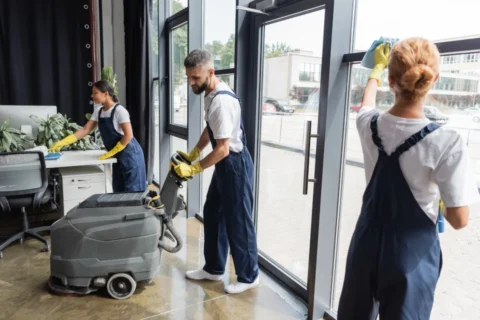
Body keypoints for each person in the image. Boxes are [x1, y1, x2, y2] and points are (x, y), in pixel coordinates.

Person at [337, 37, 479, 319]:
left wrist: (374, 72)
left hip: (365, 244)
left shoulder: (369, 125)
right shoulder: (446, 141)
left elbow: (366, 104)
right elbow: (459, 220)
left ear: (392, 80)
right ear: (434, 78)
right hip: (410, 256)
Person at [172, 49, 259, 294]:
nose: (191, 83)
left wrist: (193, 168)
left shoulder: (221, 101)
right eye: (189, 77)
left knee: (238, 221)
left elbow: (222, 149)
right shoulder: (209, 93)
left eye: (195, 78)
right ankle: (214, 268)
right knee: (213, 212)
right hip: (225, 164)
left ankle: (250, 275)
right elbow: (210, 128)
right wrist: (195, 151)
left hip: (235, 164)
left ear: (211, 72)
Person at [49, 80, 146, 193]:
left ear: (106, 94)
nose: (92, 96)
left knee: (133, 191)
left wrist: (114, 150)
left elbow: (129, 135)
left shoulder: (120, 111)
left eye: (95, 93)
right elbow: (86, 130)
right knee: (119, 189)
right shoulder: (99, 111)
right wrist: (63, 142)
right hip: (118, 155)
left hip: (130, 154)